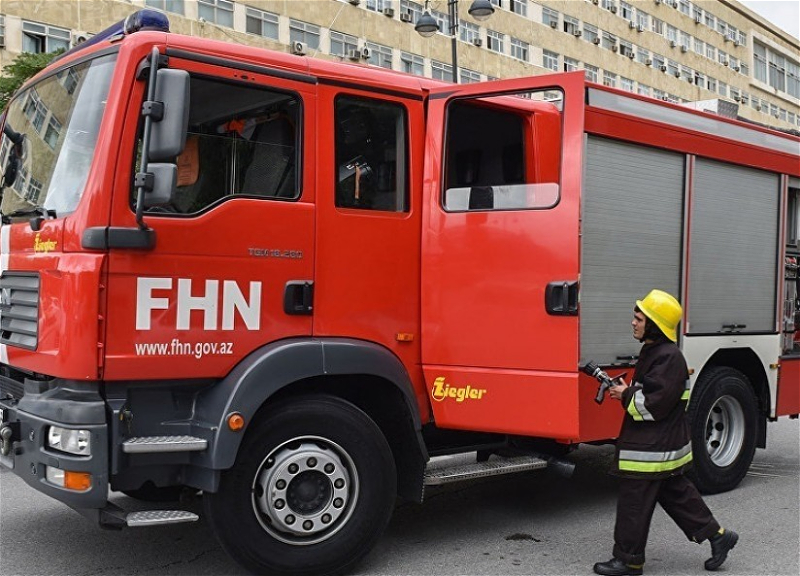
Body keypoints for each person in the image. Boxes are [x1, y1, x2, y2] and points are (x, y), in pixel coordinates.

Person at [593, 289, 738, 576]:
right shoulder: (656, 352)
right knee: (677, 495)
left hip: (652, 447)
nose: (633, 323)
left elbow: (654, 404)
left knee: (634, 503)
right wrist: (629, 391)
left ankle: (629, 561)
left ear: (654, 325)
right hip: (660, 443)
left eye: (639, 319)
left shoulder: (668, 358)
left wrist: (624, 394)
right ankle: (718, 537)